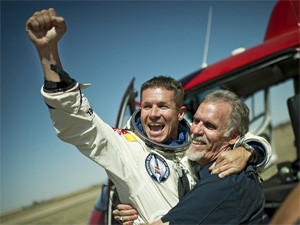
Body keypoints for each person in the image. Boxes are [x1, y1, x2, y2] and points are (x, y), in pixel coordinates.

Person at [26, 8, 271, 224]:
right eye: (146, 106)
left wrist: (248, 152)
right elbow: (78, 123)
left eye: (163, 107)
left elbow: (243, 137)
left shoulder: (196, 143)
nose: (153, 115)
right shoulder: (125, 148)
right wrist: (48, 53)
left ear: (180, 112)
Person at [115, 90, 266, 224]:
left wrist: (250, 150)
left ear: (233, 136)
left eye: (209, 125)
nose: (195, 130)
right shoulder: (197, 159)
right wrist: (130, 203)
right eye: (195, 120)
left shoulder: (222, 181)